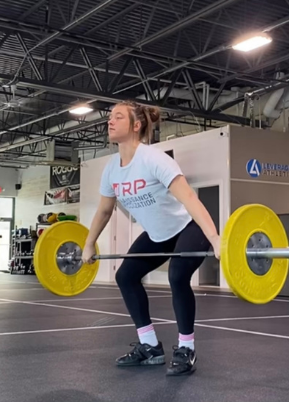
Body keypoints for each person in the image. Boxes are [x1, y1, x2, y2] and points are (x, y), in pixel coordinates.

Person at [81, 100, 221, 376]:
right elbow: (105, 210)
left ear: (136, 125)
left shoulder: (154, 159)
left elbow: (190, 198)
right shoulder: (111, 168)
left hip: (187, 228)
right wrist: (88, 243)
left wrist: (215, 237)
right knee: (126, 276)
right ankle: (150, 346)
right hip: (158, 236)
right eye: (110, 117)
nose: (109, 121)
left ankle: (186, 348)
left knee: (178, 276)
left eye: (117, 117)